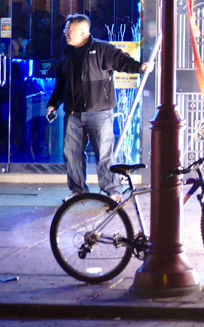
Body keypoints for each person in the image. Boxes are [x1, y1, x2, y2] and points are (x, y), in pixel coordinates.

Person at [45, 14, 150, 200]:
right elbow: (61, 84)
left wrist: (139, 67)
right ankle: (78, 192)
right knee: (72, 155)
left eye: (69, 31)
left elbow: (122, 61)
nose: (66, 34)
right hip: (73, 113)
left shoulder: (101, 49)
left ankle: (112, 191)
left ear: (84, 32)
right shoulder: (66, 55)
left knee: (104, 155)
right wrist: (53, 103)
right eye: (65, 30)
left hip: (99, 113)